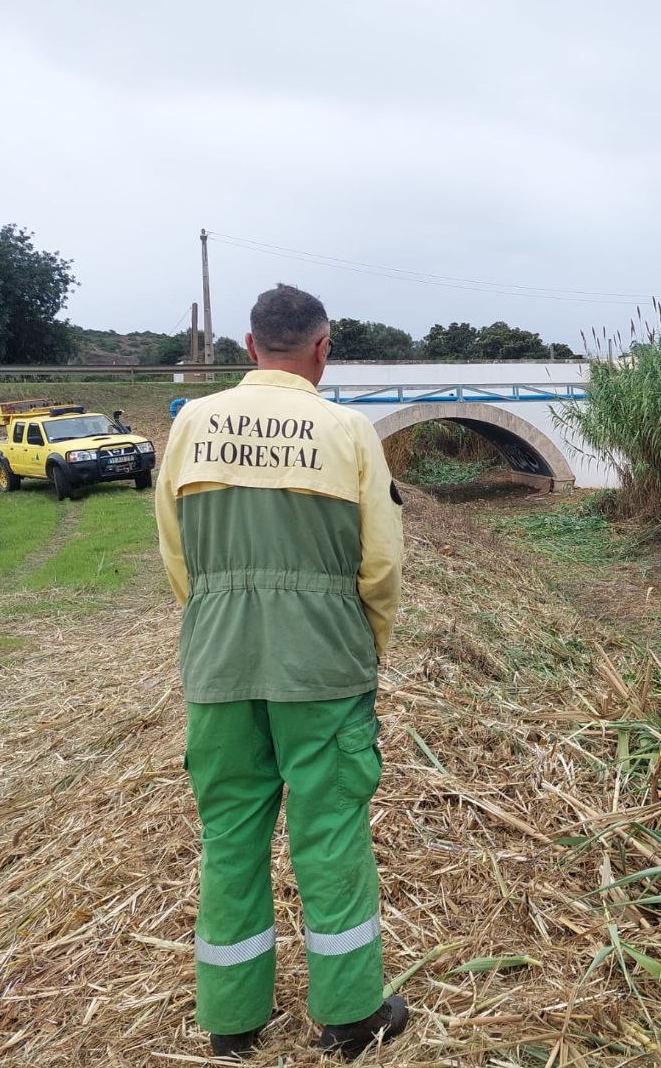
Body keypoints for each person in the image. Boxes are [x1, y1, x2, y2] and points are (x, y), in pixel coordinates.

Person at [155, 284, 407, 1060]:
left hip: (219, 659)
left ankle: (232, 1022)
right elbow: (381, 563)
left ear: (247, 345)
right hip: (324, 661)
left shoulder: (191, 424)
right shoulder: (347, 430)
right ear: (322, 348)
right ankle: (348, 1017)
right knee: (328, 834)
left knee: (230, 834)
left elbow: (176, 557)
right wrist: (370, 644)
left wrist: (219, 622)